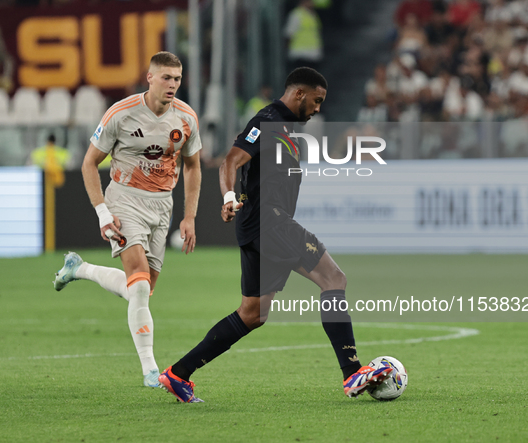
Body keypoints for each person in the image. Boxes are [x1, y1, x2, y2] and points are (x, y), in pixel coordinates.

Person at [158, 67, 393, 403]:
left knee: (253, 314)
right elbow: (230, 162)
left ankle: (178, 373)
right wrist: (227, 197)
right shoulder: (267, 121)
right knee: (334, 279)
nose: (317, 109)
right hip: (269, 221)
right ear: (299, 93)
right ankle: (352, 372)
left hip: (258, 225)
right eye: (316, 101)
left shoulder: (289, 128)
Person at [52, 52, 202, 388]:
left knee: (142, 291)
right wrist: (103, 211)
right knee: (138, 281)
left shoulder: (186, 118)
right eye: (166, 78)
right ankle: (151, 370)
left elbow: (193, 166)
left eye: (177, 79)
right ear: (149, 78)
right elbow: (90, 163)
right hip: (124, 200)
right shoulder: (121, 113)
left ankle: (80, 269)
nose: (173, 85)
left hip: (162, 206)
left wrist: (189, 216)